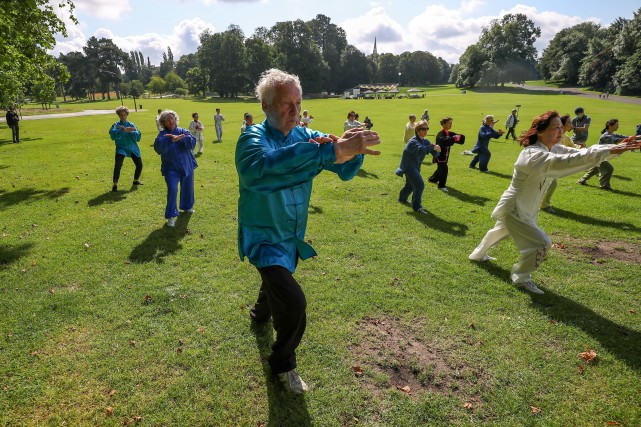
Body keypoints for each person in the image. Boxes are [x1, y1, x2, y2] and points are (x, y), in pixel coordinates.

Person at [237, 68, 381, 394]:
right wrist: (329, 151)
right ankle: (283, 363)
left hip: (290, 236)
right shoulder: (251, 139)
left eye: (298, 102)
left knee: (277, 281)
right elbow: (262, 170)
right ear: (266, 105)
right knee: (294, 302)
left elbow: (339, 166)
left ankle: (260, 311)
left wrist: (349, 150)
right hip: (263, 236)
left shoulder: (305, 135)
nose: (294, 110)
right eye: (286, 103)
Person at [468, 110, 639, 295]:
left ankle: (477, 255)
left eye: (561, 127)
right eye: (555, 127)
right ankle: (522, 278)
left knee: (500, 230)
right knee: (541, 243)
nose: (560, 131)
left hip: (528, 206)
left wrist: (615, 147)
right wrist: (608, 149)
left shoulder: (554, 148)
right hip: (515, 207)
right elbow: (566, 162)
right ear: (540, 131)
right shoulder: (531, 154)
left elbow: (579, 153)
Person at [154, 110, 197, 227]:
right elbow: (158, 148)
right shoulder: (162, 135)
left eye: (172, 118)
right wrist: (170, 139)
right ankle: (171, 216)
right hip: (171, 169)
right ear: (164, 123)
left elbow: (192, 142)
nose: (171, 120)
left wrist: (181, 138)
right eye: (167, 119)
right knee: (173, 189)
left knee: (188, 187)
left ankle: (188, 206)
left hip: (186, 165)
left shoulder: (183, 131)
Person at [576, 119, 641, 190]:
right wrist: (631, 140)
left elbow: (625, 137)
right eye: (616, 125)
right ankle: (604, 186)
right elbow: (618, 139)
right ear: (610, 126)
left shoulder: (612, 134)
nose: (618, 126)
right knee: (609, 169)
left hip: (600, 156)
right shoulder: (606, 136)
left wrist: (637, 137)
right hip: (598, 156)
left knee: (595, 169)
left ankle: (582, 180)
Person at [540, 114, 585, 213]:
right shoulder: (554, 136)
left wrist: (581, 148)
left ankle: (541, 203)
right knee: (551, 183)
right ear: (562, 124)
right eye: (569, 122)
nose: (571, 124)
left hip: (555, 166)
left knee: (549, 183)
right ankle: (543, 205)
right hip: (547, 164)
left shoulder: (566, 138)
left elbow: (572, 147)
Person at [395, 119, 441, 213]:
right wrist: (432, 147)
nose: (425, 131)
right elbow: (421, 150)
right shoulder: (413, 141)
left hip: (416, 167)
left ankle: (402, 199)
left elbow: (434, 152)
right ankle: (417, 207)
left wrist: (437, 151)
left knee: (410, 185)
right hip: (409, 167)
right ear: (417, 130)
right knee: (419, 185)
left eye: (427, 128)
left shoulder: (425, 141)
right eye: (423, 129)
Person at [108, 106, 143, 192]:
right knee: (118, 165)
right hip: (121, 148)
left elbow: (138, 134)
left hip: (132, 147)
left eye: (124, 115)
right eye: (121, 115)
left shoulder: (131, 124)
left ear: (127, 115)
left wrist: (130, 131)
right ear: (118, 116)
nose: (123, 117)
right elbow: (112, 133)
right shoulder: (116, 125)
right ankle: (115, 184)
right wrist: (122, 131)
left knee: (139, 164)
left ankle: (135, 180)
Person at [428, 117, 465, 192]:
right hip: (440, 156)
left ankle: (432, 179)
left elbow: (460, 139)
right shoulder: (440, 134)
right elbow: (443, 142)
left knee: (440, 169)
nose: (451, 124)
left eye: (451, 123)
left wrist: (460, 137)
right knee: (444, 169)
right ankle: (441, 186)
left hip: (445, 156)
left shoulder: (449, 133)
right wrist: (453, 139)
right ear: (443, 124)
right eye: (449, 123)